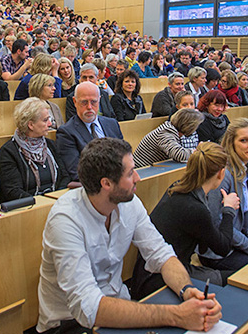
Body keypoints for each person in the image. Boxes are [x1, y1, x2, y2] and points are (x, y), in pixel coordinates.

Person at [36, 137, 222, 334]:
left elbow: (161, 253)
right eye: (131, 173)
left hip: (116, 305)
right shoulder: (65, 220)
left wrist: (186, 290)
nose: (138, 178)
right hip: (68, 323)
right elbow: (87, 306)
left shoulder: (129, 202)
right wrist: (177, 316)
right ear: (106, 183)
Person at [131, 142, 240, 298]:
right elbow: (222, 248)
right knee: (235, 280)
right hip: (161, 278)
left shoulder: (178, 187)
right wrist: (229, 209)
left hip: (147, 273)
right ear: (221, 173)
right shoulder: (195, 207)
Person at [199, 119, 248, 274]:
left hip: (236, 242)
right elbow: (216, 222)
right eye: (244, 141)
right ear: (231, 144)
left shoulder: (245, 168)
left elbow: (246, 219)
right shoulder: (223, 174)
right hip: (218, 252)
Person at [0, 98, 70, 202]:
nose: (50, 124)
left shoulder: (50, 145)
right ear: (30, 125)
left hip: (55, 203)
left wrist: (57, 198)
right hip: (27, 209)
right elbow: (13, 191)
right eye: (45, 120)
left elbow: (65, 177)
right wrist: (42, 202)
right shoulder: (8, 152)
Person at [56, 81, 123, 181]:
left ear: (99, 100)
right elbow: (76, 172)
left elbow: (124, 158)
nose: (89, 107)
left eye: (93, 102)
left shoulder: (112, 124)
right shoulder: (66, 133)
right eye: (84, 102)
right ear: (75, 102)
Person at [133, 108, 204, 167]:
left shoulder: (171, 130)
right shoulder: (165, 132)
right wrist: (197, 151)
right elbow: (179, 154)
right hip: (141, 170)